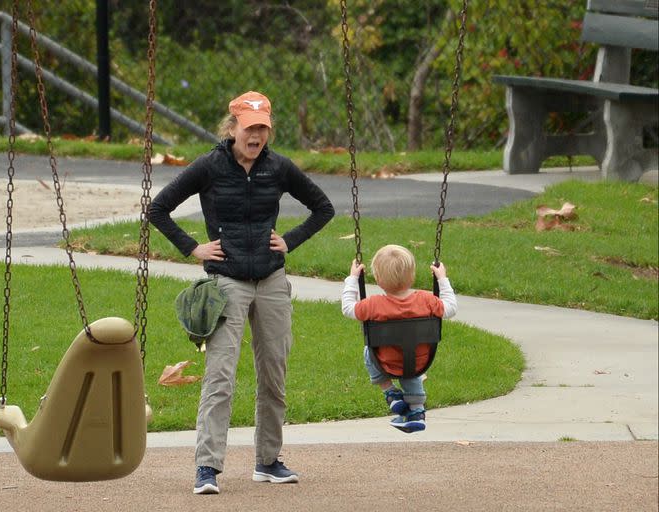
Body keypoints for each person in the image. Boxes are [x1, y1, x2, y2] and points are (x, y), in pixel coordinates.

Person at [150, 91, 335, 495]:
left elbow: (323, 208)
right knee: (220, 376)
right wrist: (193, 247)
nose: (257, 136)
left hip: (271, 281)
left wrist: (289, 240)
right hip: (227, 281)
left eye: (263, 128)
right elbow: (158, 208)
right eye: (250, 128)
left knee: (274, 374)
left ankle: (268, 461)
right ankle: (207, 468)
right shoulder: (210, 166)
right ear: (232, 128)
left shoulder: (279, 168)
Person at [341, 244, 457, 432]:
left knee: (368, 350)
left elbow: (347, 308)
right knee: (411, 358)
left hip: (385, 363)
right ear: (412, 277)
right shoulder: (426, 300)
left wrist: (353, 279)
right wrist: (442, 279)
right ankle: (417, 411)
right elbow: (451, 308)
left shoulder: (373, 305)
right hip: (419, 363)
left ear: (378, 280)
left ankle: (390, 392)